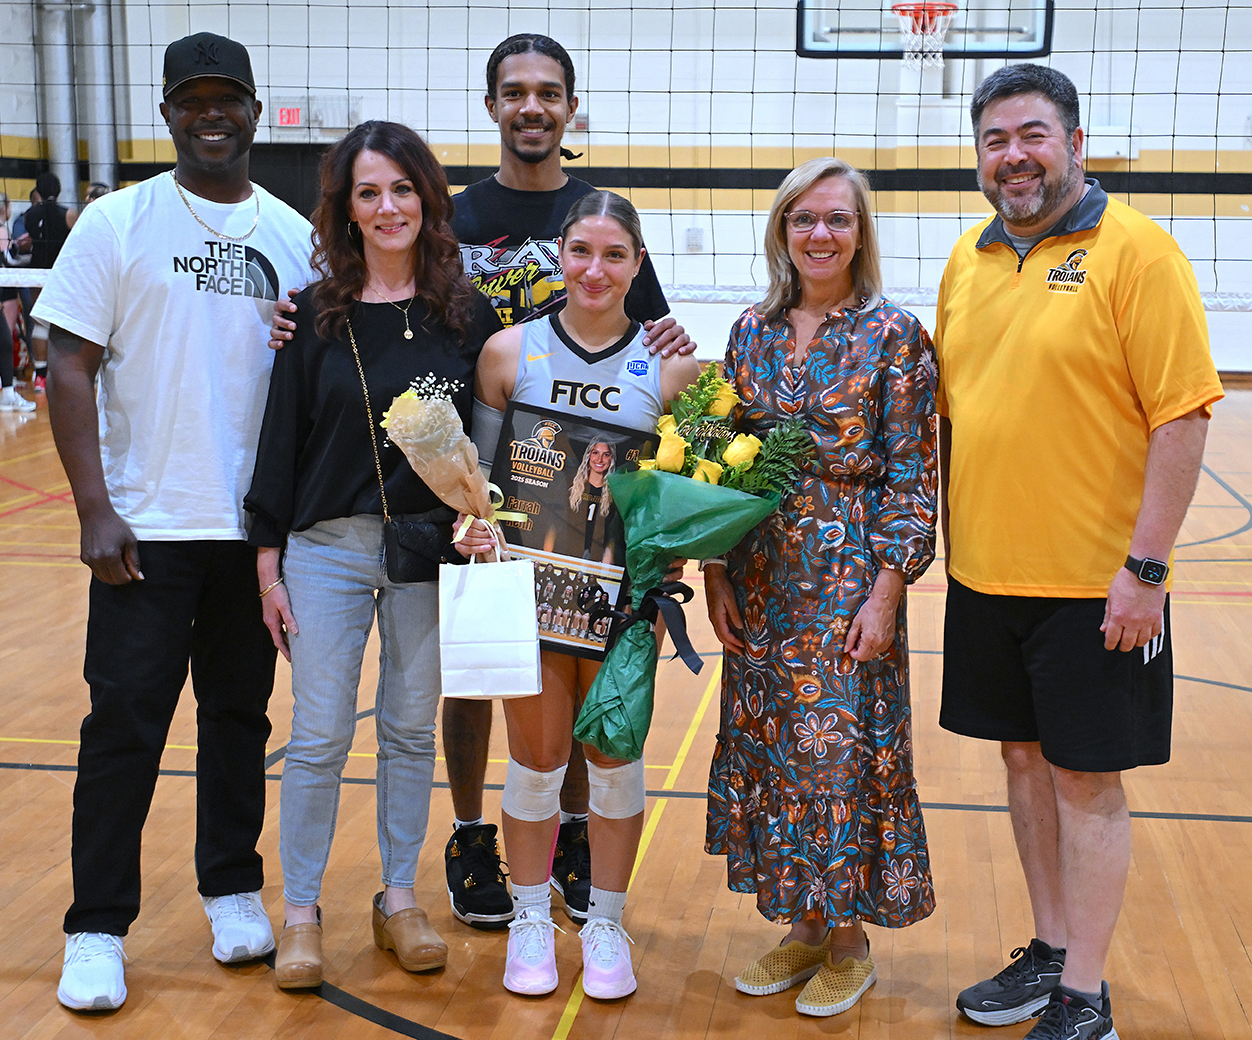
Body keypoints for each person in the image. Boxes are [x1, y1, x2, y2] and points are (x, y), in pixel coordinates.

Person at [265, 33, 696, 932]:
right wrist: (296, 320)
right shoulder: (450, 219)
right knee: (473, 679)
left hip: (577, 503)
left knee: (571, 671)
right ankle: (469, 833)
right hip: (469, 496)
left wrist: (673, 351)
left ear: (572, 107)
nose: (532, 106)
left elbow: (645, 339)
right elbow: (389, 314)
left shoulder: (601, 213)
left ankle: (572, 831)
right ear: (493, 104)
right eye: (515, 91)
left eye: (549, 92)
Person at [934, 64, 1223, 1040]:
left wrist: (1145, 569)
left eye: (1031, 135)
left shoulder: (1136, 250)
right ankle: (1050, 944)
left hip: (1095, 584)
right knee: (1021, 760)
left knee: (1085, 781)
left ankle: (1084, 993)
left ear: (1074, 142)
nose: (1012, 156)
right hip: (985, 574)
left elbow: (1181, 417)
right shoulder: (967, 259)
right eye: (994, 141)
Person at [37, 32, 316, 1011]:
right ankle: (97, 925)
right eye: (191, 99)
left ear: (250, 108)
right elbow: (65, 362)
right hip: (146, 529)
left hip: (251, 536)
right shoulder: (117, 223)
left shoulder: (293, 234)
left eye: (226, 98)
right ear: (166, 113)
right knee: (124, 727)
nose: (211, 114)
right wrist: (94, 508)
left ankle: (232, 885)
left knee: (238, 719)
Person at [244, 119, 501, 990]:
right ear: (346, 210)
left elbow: (497, 442)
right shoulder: (312, 316)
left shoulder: (466, 315)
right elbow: (279, 441)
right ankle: (304, 913)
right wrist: (268, 566)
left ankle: (398, 898)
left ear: (427, 199)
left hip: (432, 554)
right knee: (316, 737)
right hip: (325, 552)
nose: (387, 206)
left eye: (401, 188)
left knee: (404, 732)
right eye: (367, 192)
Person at [703, 156, 938, 1019]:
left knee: (838, 754)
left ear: (861, 232)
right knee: (776, 751)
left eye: (837, 219)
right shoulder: (749, 332)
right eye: (803, 220)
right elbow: (717, 461)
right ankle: (804, 928)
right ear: (781, 231)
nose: (820, 235)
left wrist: (887, 592)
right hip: (760, 573)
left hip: (848, 579)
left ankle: (850, 943)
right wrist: (716, 565)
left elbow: (913, 475)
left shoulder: (896, 334)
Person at [460, 189, 700, 998]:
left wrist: (674, 562)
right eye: (580, 251)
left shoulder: (672, 371)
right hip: (530, 597)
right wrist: (474, 530)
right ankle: (530, 919)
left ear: (639, 264)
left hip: (625, 607)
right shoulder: (507, 353)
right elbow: (476, 489)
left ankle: (605, 923)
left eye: (615, 254)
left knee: (614, 763)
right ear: (558, 256)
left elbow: (685, 497)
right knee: (534, 764)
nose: (595, 270)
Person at [24, 172, 77, 392]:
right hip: (60, 273)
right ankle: (68, 374)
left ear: (38, 190)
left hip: (37, 271)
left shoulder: (29, 214)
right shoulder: (69, 214)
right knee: (66, 323)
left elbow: (33, 237)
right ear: (59, 190)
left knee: (40, 323)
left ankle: (40, 377)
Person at [0, 192, 36, 413]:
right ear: (7, 207)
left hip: (4, 289)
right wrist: (31, 257)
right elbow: (8, 262)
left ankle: (8, 392)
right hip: (5, 291)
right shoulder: (2, 230)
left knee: (5, 339)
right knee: (4, 340)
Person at [569, 440, 616, 559]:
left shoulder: (615, 494)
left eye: (606, 455)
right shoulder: (572, 488)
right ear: (588, 455)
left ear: (612, 459)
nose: (599, 459)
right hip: (570, 552)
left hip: (599, 557)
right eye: (595, 453)